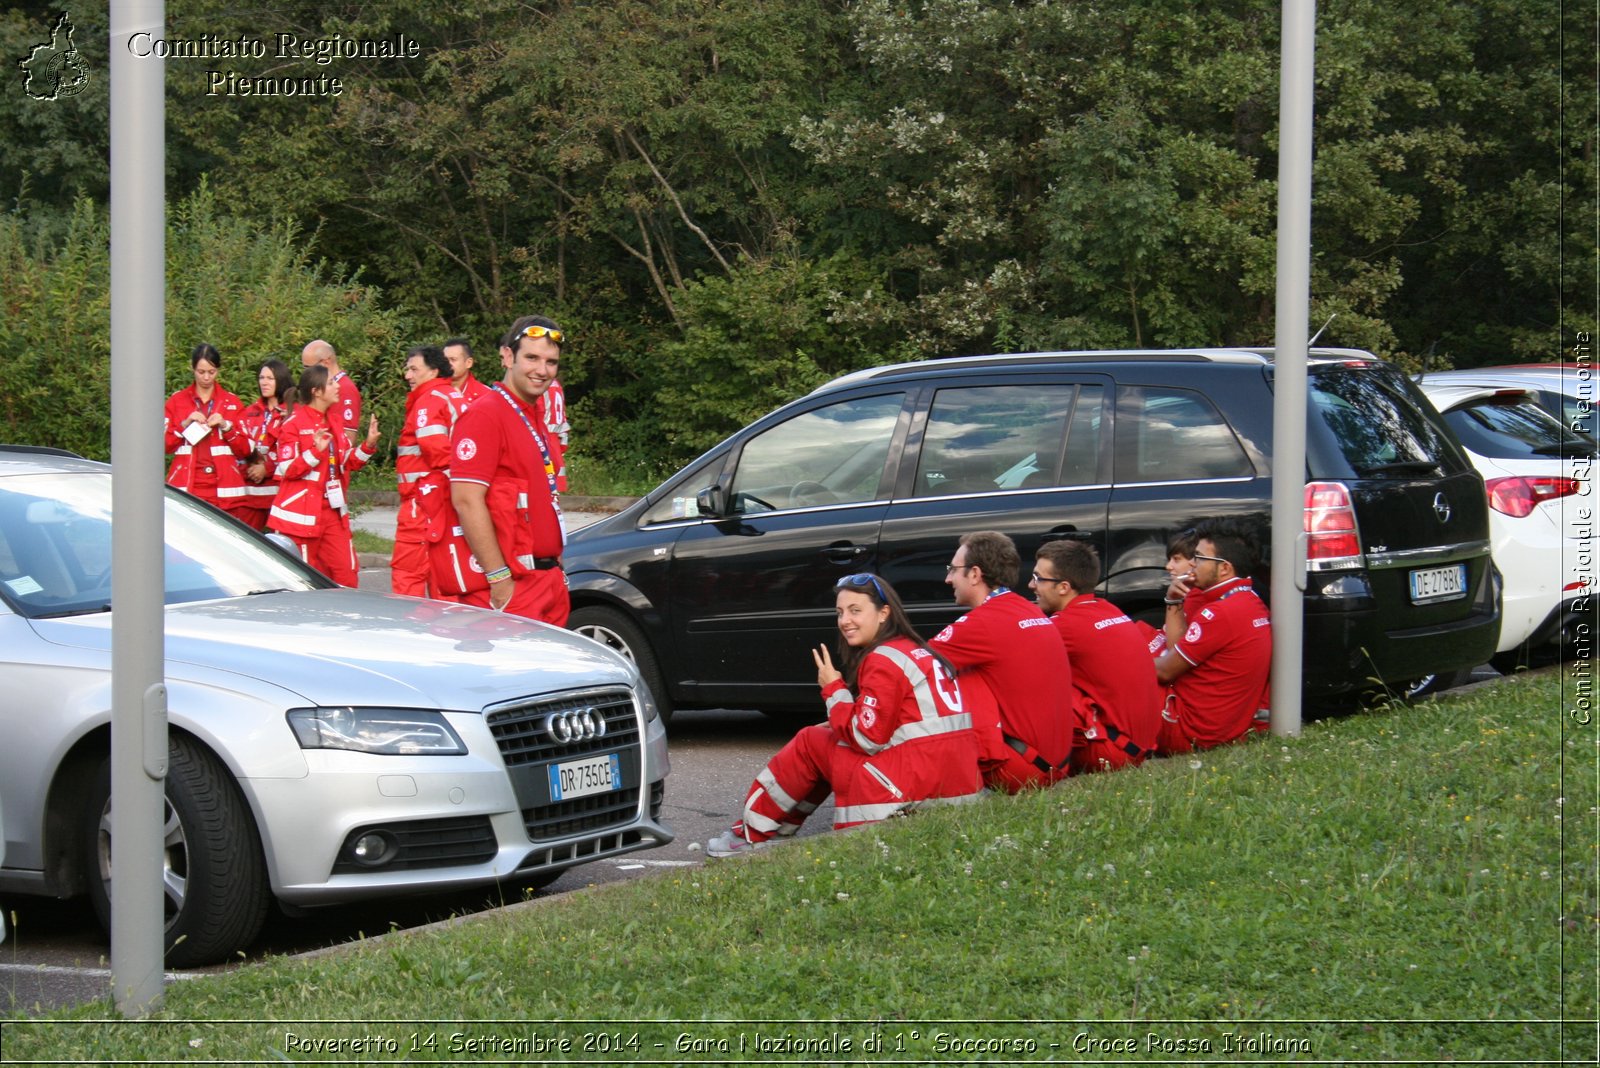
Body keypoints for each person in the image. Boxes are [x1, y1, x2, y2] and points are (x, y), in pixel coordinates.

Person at [707, 573, 982, 856]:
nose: (845, 621)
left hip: (914, 793)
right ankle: (777, 829)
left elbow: (867, 738)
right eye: (840, 612)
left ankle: (751, 835)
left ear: (884, 613)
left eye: (855, 611)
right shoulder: (918, 650)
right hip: (956, 793)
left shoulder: (884, 658)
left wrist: (833, 690)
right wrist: (841, 717)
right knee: (826, 736)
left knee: (810, 741)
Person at [445, 315, 569, 624]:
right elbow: (466, 500)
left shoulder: (535, 415)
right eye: (531, 358)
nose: (542, 370)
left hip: (548, 580)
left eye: (551, 362)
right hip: (514, 587)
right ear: (507, 356)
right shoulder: (486, 414)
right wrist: (500, 581)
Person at [930, 530, 1077, 792]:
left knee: (942, 676)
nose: (947, 578)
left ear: (974, 574)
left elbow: (906, 665)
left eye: (953, 569)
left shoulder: (983, 622)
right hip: (1057, 763)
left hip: (1020, 769)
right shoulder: (1027, 608)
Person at [1030, 540, 1162, 773]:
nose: (1031, 585)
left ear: (1063, 587)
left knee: (1024, 684)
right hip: (1141, 745)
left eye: (1038, 578)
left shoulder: (1064, 625)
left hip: (1112, 751)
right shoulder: (1107, 608)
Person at [1153, 517, 1273, 754]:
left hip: (1191, 730)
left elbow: (1164, 670)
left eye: (1198, 558)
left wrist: (1121, 666)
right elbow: (1177, 650)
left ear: (1224, 568)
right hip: (1217, 726)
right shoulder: (1249, 600)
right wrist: (1175, 601)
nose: (1192, 565)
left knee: (1111, 678)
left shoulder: (1221, 613)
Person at [268, 364, 381, 586]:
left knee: (346, 574)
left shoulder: (335, 421)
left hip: (332, 513)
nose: (338, 386)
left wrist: (368, 445)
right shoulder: (293, 424)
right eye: (331, 383)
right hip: (300, 517)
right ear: (316, 391)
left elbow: (347, 462)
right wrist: (315, 452)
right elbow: (287, 470)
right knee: (305, 581)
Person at [392, 345, 462, 597]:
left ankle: (412, 633)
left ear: (433, 371)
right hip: (444, 501)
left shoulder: (428, 401)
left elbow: (438, 452)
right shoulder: (452, 395)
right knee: (444, 574)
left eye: (413, 369)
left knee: (408, 575)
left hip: (423, 503)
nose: (407, 375)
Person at [163, 343, 253, 518]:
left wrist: (226, 426)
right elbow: (164, 445)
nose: (206, 377)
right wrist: (184, 424)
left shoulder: (231, 403)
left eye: (211, 372)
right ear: (192, 369)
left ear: (218, 370)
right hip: (187, 486)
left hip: (225, 491)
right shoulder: (177, 401)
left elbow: (247, 449)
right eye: (201, 372)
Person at [235, 358, 296, 532]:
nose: (264, 382)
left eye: (270, 378)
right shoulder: (250, 411)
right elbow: (240, 445)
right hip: (250, 493)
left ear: (281, 380)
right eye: (261, 378)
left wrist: (267, 469)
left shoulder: (292, 411)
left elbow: (294, 452)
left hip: (280, 494)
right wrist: (251, 466)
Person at [301, 339, 361, 445]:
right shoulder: (321, 387)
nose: (306, 372)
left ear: (326, 362)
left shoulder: (345, 389)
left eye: (308, 367)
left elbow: (348, 438)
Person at [444, 336, 491, 408]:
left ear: (468, 363)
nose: (448, 364)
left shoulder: (486, 394)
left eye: (453, 359)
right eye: (445, 360)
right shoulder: (434, 391)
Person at [542, 376, 570, 492]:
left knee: (542, 488)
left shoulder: (538, 384)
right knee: (553, 490)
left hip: (542, 437)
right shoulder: (556, 385)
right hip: (555, 440)